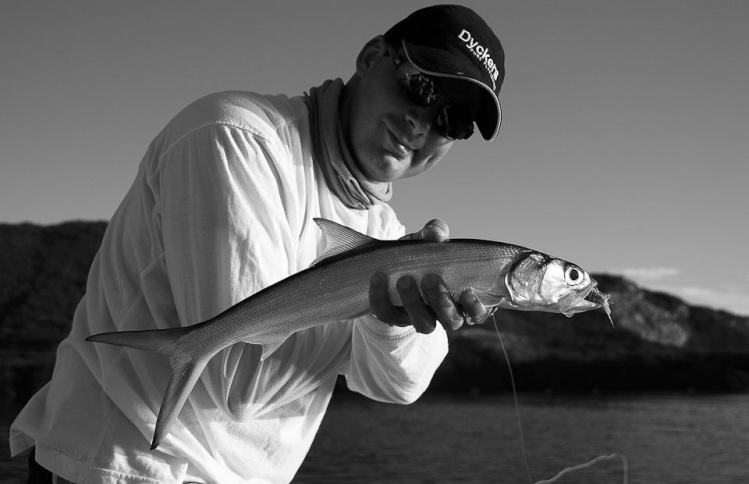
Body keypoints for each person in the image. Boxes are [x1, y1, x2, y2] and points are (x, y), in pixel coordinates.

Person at [10, 4, 505, 483]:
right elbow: (237, 380)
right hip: (123, 468)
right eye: (420, 86)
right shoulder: (235, 137)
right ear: (373, 56)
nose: (422, 122)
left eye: (452, 120)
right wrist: (368, 307)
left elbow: (397, 386)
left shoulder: (390, 234)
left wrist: (388, 322)